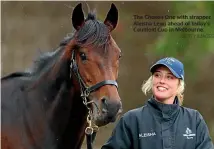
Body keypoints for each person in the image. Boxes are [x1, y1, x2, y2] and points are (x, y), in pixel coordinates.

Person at [101, 57, 214, 149]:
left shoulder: (194, 120)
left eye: (169, 77)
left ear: (179, 85)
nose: (162, 81)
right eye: (157, 75)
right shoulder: (132, 119)